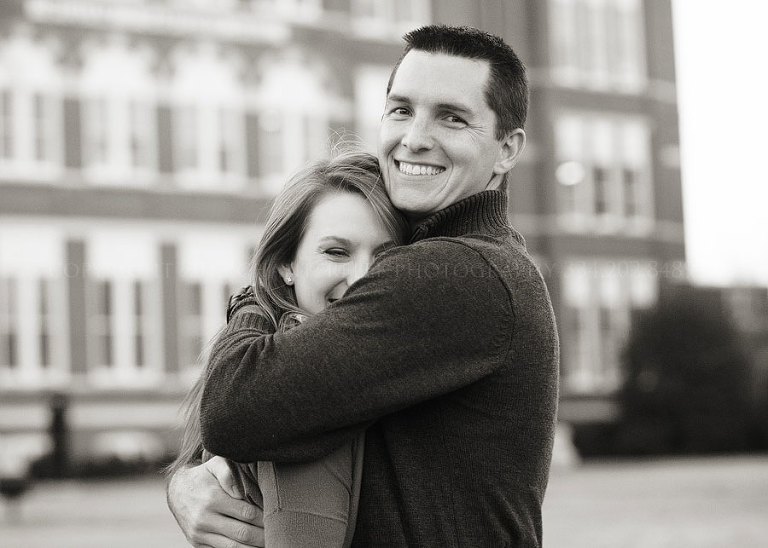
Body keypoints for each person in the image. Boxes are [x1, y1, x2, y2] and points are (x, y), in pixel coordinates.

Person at [168, 24, 559, 547]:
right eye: (401, 109)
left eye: (452, 117)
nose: (415, 137)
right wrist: (187, 484)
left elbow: (234, 407)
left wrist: (255, 294)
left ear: (507, 150)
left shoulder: (457, 273)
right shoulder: (462, 265)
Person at [167, 151, 409, 547]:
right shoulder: (292, 388)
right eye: (336, 252)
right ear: (286, 263)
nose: (363, 278)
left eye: (386, 256)